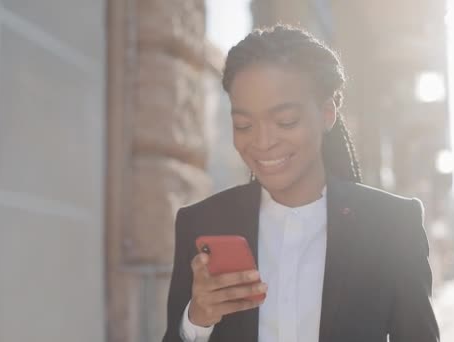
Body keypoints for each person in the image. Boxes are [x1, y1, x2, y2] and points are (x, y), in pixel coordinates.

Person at [162, 24, 439, 342]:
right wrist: (196, 320)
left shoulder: (391, 225)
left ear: (326, 114)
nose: (263, 142)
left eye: (285, 122)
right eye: (244, 124)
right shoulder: (201, 222)